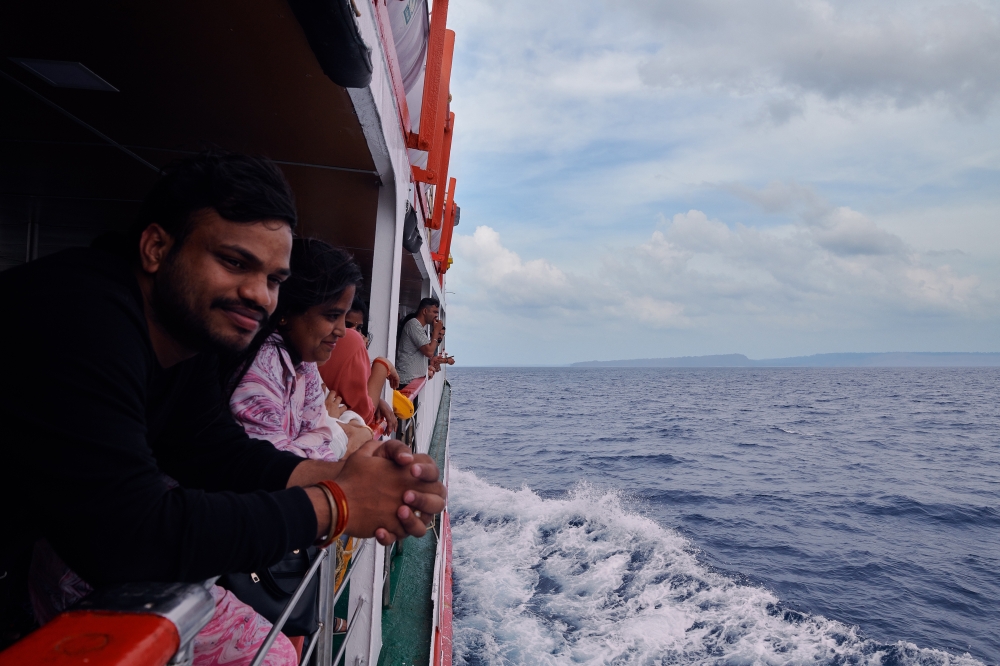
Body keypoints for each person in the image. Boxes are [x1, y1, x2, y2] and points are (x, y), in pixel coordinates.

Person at [0, 151, 445, 660]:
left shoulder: (182, 338)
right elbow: (131, 533)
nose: (258, 295)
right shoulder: (78, 318)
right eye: (235, 262)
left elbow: (214, 452)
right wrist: (340, 504)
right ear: (155, 247)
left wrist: (343, 477)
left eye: (275, 280)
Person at [228, 239, 371, 463]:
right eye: (332, 316)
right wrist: (346, 438)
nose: (342, 331)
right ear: (289, 310)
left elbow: (320, 427)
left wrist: (339, 432)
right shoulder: (261, 367)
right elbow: (276, 466)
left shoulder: (303, 362)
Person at [319, 296, 399, 432]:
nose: (356, 333)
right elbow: (364, 415)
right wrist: (382, 365)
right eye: (348, 325)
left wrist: (378, 400)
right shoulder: (350, 341)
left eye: (360, 328)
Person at [395, 297, 444, 386]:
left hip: (412, 380)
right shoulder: (413, 324)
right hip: (406, 381)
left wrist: (427, 367)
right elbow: (429, 352)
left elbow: (428, 352)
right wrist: (436, 331)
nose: (436, 316)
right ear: (425, 311)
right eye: (434, 312)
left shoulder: (419, 327)